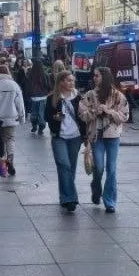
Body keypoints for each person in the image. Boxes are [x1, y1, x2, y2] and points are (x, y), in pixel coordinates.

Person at [78, 66, 129, 213]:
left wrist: (109, 112)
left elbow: (125, 115)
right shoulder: (89, 95)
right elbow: (82, 114)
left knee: (111, 169)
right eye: (94, 75)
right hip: (96, 136)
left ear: (105, 77)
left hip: (113, 136)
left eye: (97, 76)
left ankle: (110, 201)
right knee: (99, 167)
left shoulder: (118, 96)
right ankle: (96, 186)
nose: (94, 78)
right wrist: (95, 111)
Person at [45, 71, 83, 212]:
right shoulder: (52, 98)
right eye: (68, 80)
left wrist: (87, 136)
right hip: (59, 136)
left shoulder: (78, 97)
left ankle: (65, 198)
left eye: (72, 80)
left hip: (75, 137)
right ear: (61, 82)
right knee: (63, 164)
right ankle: (71, 198)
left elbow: (83, 117)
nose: (72, 83)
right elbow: (46, 116)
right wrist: (55, 117)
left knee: (70, 168)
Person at [0, 63, 26, 176]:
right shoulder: (14, 85)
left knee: (0, 142)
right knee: (10, 139)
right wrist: (22, 117)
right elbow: (20, 103)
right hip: (11, 118)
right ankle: (10, 160)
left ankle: (2, 167)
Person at [27, 60, 50, 134]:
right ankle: (41, 128)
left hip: (33, 97)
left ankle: (34, 126)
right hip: (43, 96)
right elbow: (48, 85)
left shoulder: (30, 74)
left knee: (33, 112)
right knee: (41, 113)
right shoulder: (45, 74)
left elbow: (27, 85)